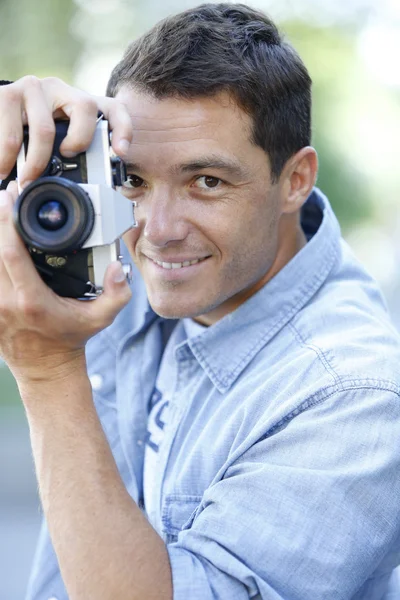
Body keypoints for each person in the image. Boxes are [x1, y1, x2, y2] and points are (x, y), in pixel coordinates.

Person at [1, 3, 400, 599]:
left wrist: (47, 372)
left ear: (295, 180)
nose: (156, 231)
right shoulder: (115, 263)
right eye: (132, 179)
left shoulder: (353, 396)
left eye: (206, 182)